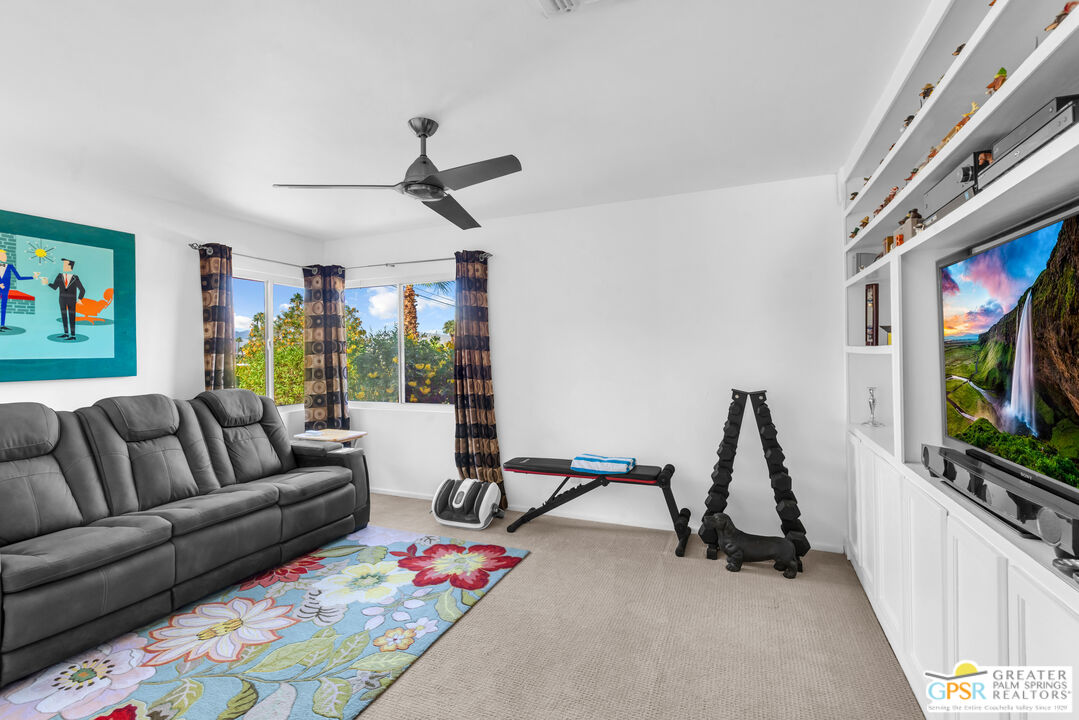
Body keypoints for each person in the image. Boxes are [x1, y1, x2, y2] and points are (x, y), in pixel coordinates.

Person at [42, 258, 86, 339]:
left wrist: (80, 299)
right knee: (64, 316)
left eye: (65, 264)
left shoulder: (75, 278)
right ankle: (66, 333)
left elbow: (82, 290)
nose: (63, 266)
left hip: (72, 300)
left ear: (70, 266)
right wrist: (47, 283)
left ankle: (72, 335)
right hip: (62, 299)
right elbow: (55, 287)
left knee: (72, 316)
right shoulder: (59, 276)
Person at [0, 247, 36, 332]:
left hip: (5, 289)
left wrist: (32, 277)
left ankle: (2, 325)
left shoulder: (10, 266)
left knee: (3, 307)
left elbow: (19, 277)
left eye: (5, 255)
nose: (6, 257)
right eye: (3, 255)